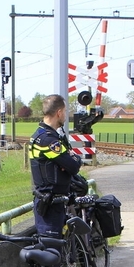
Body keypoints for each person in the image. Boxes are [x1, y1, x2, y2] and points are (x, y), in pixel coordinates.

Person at [28, 94, 81, 235]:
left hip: (55, 202)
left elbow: (70, 163)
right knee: (51, 250)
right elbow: (74, 165)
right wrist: (71, 160)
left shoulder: (46, 135)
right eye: (64, 112)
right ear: (59, 113)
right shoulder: (47, 140)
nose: (65, 116)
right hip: (49, 205)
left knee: (57, 249)